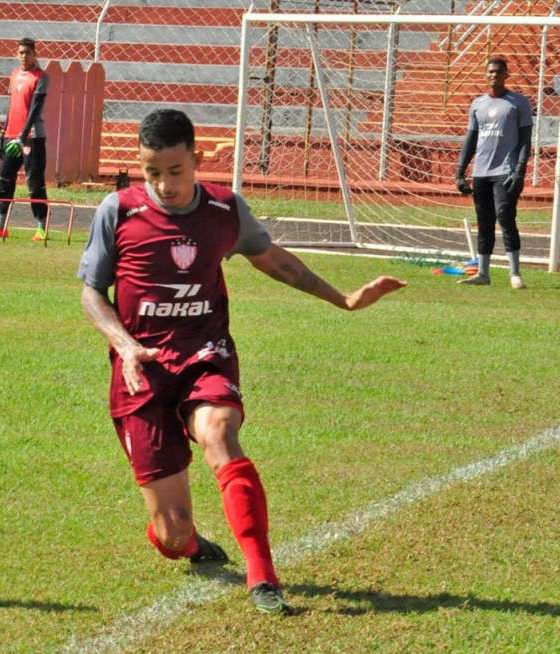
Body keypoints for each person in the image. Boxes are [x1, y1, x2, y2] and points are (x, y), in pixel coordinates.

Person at [78, 109, 406, 614]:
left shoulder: (225, 210)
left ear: (196, 158)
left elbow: (275, 260)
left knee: (220, 433)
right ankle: (186, 542)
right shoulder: (117, 211)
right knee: (171, 532)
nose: (164, 184)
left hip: (205, 354)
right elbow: (91, 292)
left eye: (174, 170)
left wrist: (343, 299)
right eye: (152, 172)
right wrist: (123, 344)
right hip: (140, 372)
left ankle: (263, 578)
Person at [455, 56, 533, 289]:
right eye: (490, 71)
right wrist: (460, 171)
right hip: (481, 172)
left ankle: (515, 274)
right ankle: (483, 273)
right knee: (484, 221)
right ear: (485, 74)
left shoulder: (518, 103)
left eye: (499, 71)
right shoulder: (477, 104)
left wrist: (519, 170)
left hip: (506, 171)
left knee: (505, 216)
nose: (494, 75)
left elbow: (525, 141)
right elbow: (470, 140)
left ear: (506, 74)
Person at [0, 37, 50, 242]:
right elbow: (12, 108)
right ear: (16, 54)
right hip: (11, 135)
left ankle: (41, 228)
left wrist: (22, 137)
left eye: (28, 52)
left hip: (32, 138)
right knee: (3, 178)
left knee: (34, 181)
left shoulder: (41, 77)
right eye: (20, 52)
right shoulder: (14, 74)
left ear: (34, 54)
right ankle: (1, 226)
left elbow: (35, 109)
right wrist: (2, 135)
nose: (23, 56)